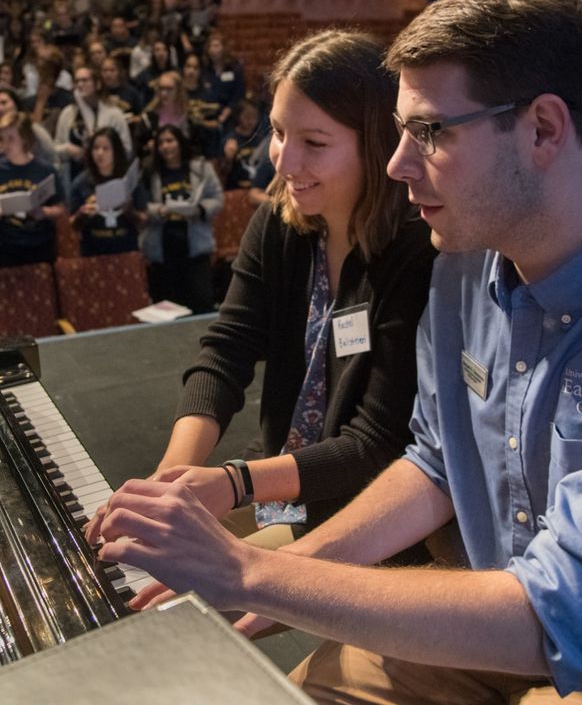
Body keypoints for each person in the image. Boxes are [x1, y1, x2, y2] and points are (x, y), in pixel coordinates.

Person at [95, 0, 582, 705]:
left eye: (429, 132)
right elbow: (432, 464)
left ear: (544, 129)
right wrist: (263, 590)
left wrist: (249, 573)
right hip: (479, 606)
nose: (396, 164)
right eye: (399, 131)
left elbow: (561, 612)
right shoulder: (462, 256)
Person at [88, 29, 434, 551]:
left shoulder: (414, 251)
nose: (285, 162)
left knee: (180, 598)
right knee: (141, 565)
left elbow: (374, 443)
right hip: (281, 474)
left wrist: (233, 483)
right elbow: (227, 351)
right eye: (277, 132)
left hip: (364, 508)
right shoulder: (281, 222)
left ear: (377, 144)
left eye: (314, 144)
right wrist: (166, 482)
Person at [139, 124, 224, 314]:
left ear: (180, 142)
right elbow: (140, 205)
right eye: (161, 143)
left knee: (201, 303)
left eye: (170, 141)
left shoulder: (201, 168)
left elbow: (218, 198)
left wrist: (198, 209)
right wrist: (159, 210)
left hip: (195, 247)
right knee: (167, 310)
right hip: (162, 249)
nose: (165, 146)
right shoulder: (149, 171)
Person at [0, 111, 65, 268]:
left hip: (40, 245)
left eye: (11, 139)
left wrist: (44, 212)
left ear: (25, 139)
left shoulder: (45, 170)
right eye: (2, 139)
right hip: (7, 247)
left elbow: (60, 208)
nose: (5, 145)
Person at [69, 127, 147, 257]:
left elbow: (145, 220)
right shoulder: (82, 182)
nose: (100, 153)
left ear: (116, 151)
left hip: (126, 250)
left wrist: (129, 210)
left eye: (106, 148)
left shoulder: (130, 179)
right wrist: (81, 214)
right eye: (96, 148)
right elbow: (71, 223)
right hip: (93, 252)